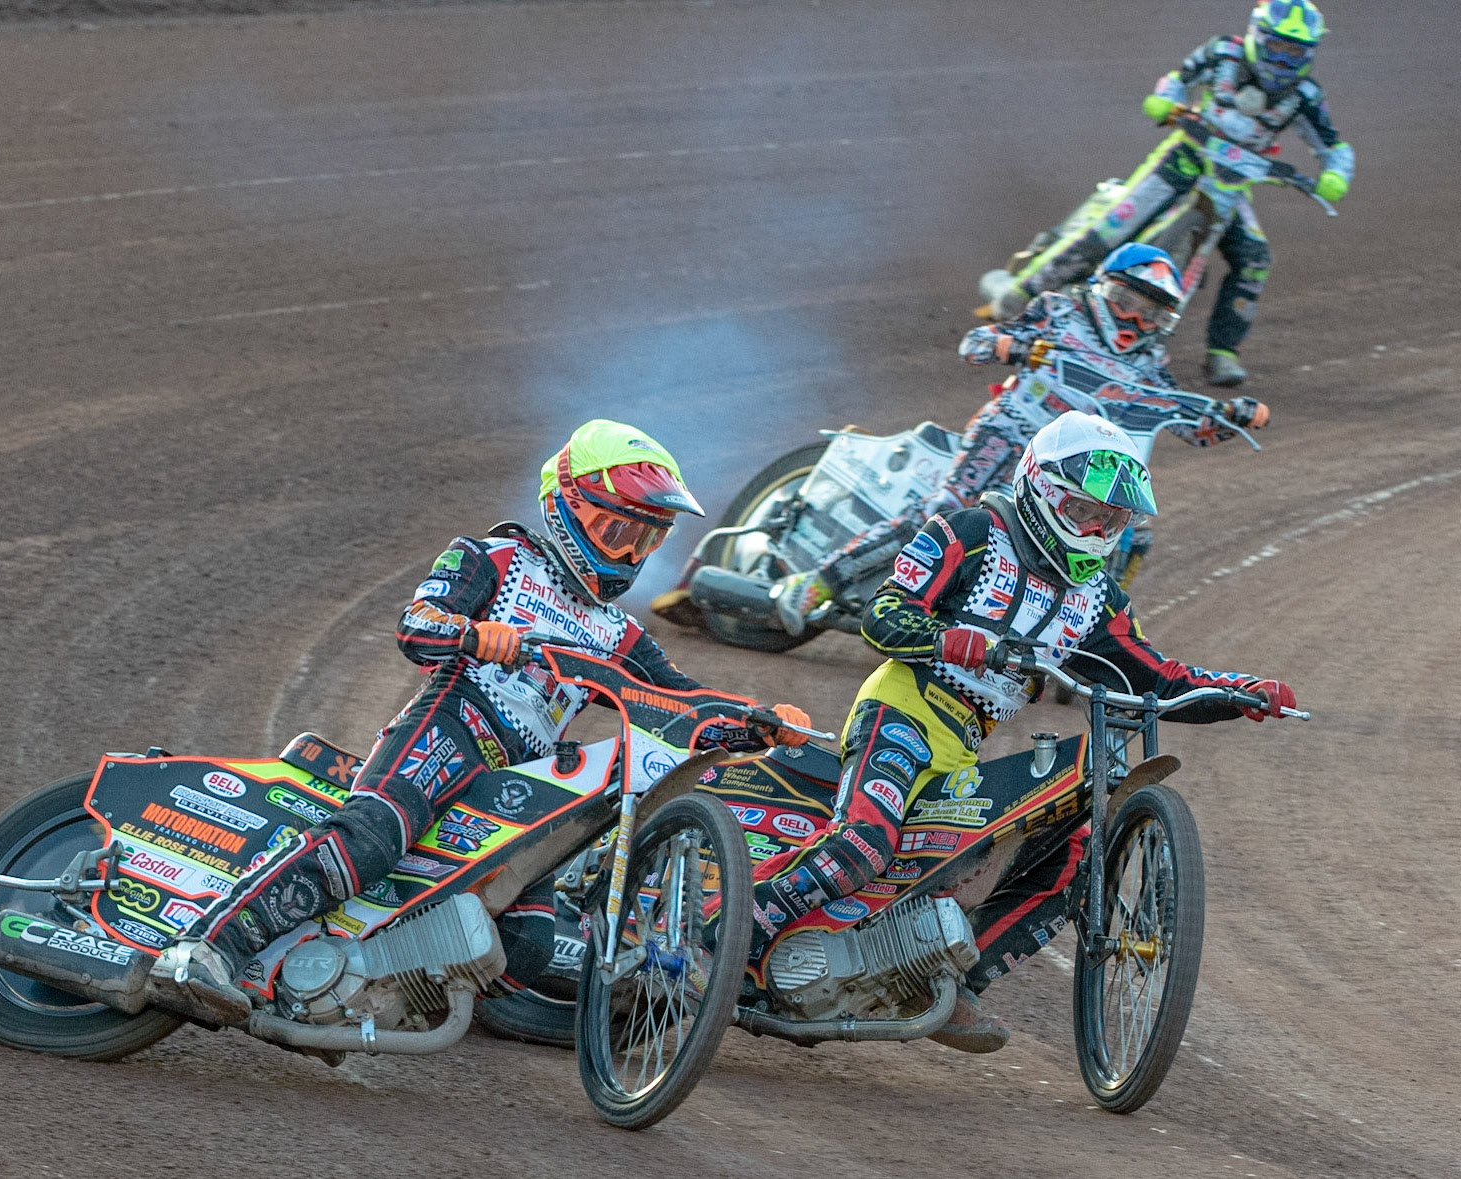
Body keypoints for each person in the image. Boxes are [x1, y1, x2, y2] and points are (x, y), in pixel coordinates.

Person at [149, 420, 812, 1025]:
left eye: (647, 537)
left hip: (525, 782)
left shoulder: (620, 632)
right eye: (620, 530)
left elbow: (680, 700)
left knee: (525, 943)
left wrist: (754, 723)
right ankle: (206, 948)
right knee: (372, 837)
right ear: (570, 506)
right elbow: (416, 626)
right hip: (452, 727)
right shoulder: (495, 558)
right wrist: (476, 635)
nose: (632, 550)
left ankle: (401, 982)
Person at [748, 411, 1296, 1052]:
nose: (1098, 532)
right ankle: (740, 935)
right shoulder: (972, 531)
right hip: (903, 706)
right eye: (1088, 512)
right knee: (867, 843)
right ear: (1045, 490)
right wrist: (954, 641)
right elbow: (884, 614)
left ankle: (950, 983)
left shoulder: (1099, 598)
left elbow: (1157, 677)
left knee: (1074, 853)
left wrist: (1239, 691)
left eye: (1112, 521)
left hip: (966, 743)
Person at [772, 243, 1265, 635]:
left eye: (1153, 315)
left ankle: (1085, 636)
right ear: (1102, 290)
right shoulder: (1059, 311)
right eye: (1128, 302)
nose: (1137, 320)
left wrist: (1232, 418)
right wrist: (1014, 345)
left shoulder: (1150, 365)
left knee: (1128, 532)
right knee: (947, 509)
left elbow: (1184, 423)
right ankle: (819, 583)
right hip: (1008, 433)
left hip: (1072, 470)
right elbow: (976, 344)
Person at [986, 0, 1354, 386]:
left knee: (1255, 259)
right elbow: (1179, 77)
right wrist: (1165, 98)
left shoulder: (1306, 96)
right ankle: (1023, 292)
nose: (1283, 59)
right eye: (1277, 47)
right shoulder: (1223, 53)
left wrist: (1336, 175)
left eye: (1294, 51)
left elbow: (1334, 145)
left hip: (1232, 182)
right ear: (1258, 38)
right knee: (1115, 223)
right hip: (1188, 153)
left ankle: (1223, 352)